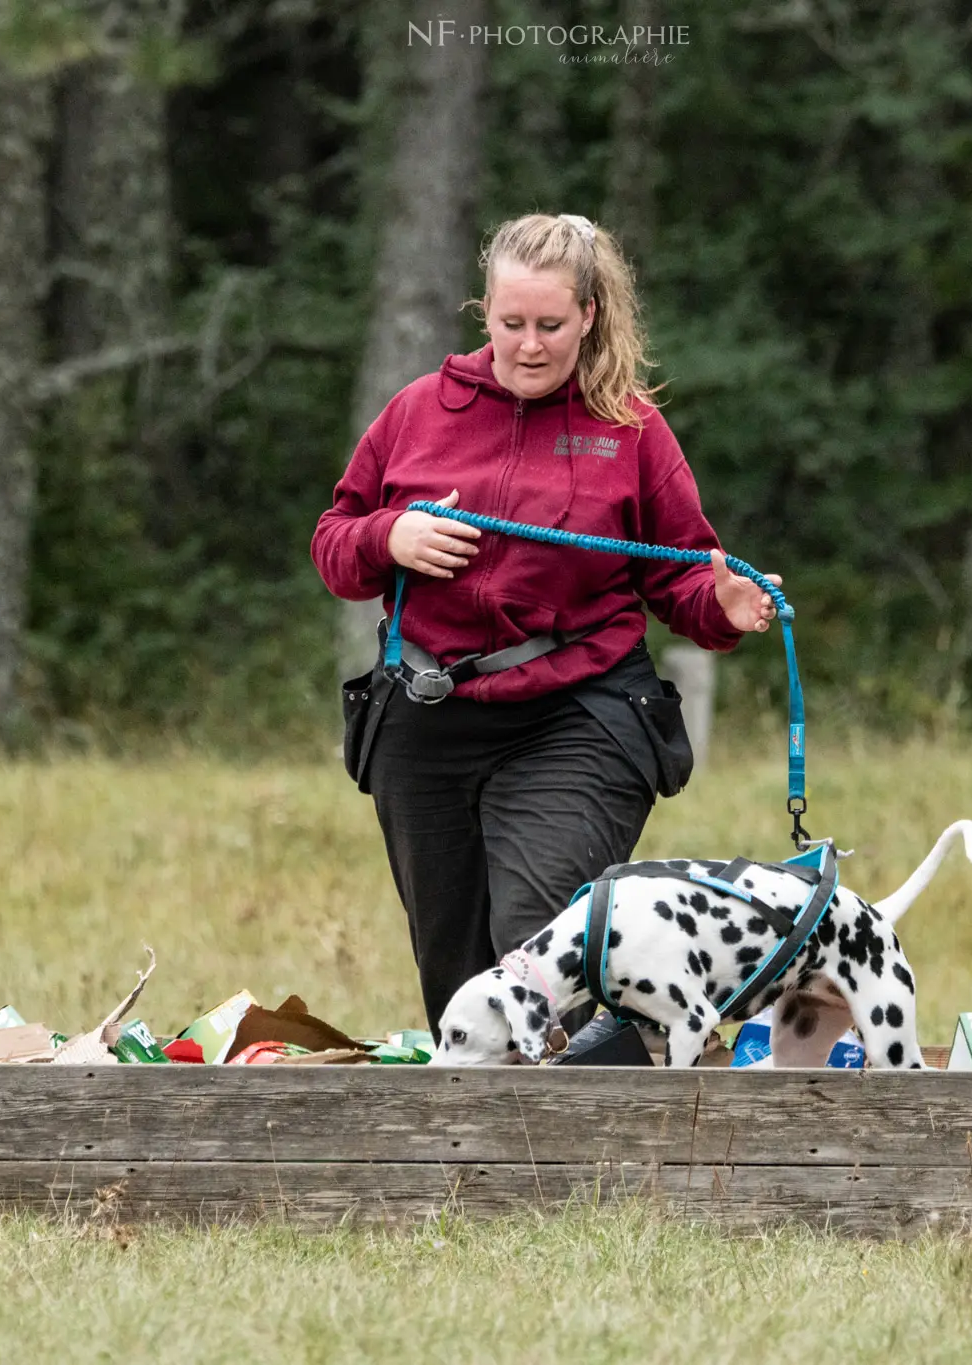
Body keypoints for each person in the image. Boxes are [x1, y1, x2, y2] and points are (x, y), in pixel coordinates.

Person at [312, 212, 779, 1031]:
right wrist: (393, 534)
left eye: (551, 326)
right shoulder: (418, 411)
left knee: (532, 959)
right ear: (483, 312)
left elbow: (684, 580)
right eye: (511, 323)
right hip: (427, 715)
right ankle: (487, 1152)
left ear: (589, 317)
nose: (529, 345)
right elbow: (335, 546)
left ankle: (595, 1127)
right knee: (459, 987)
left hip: (578, 714)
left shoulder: (630, 429)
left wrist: (726, 607)